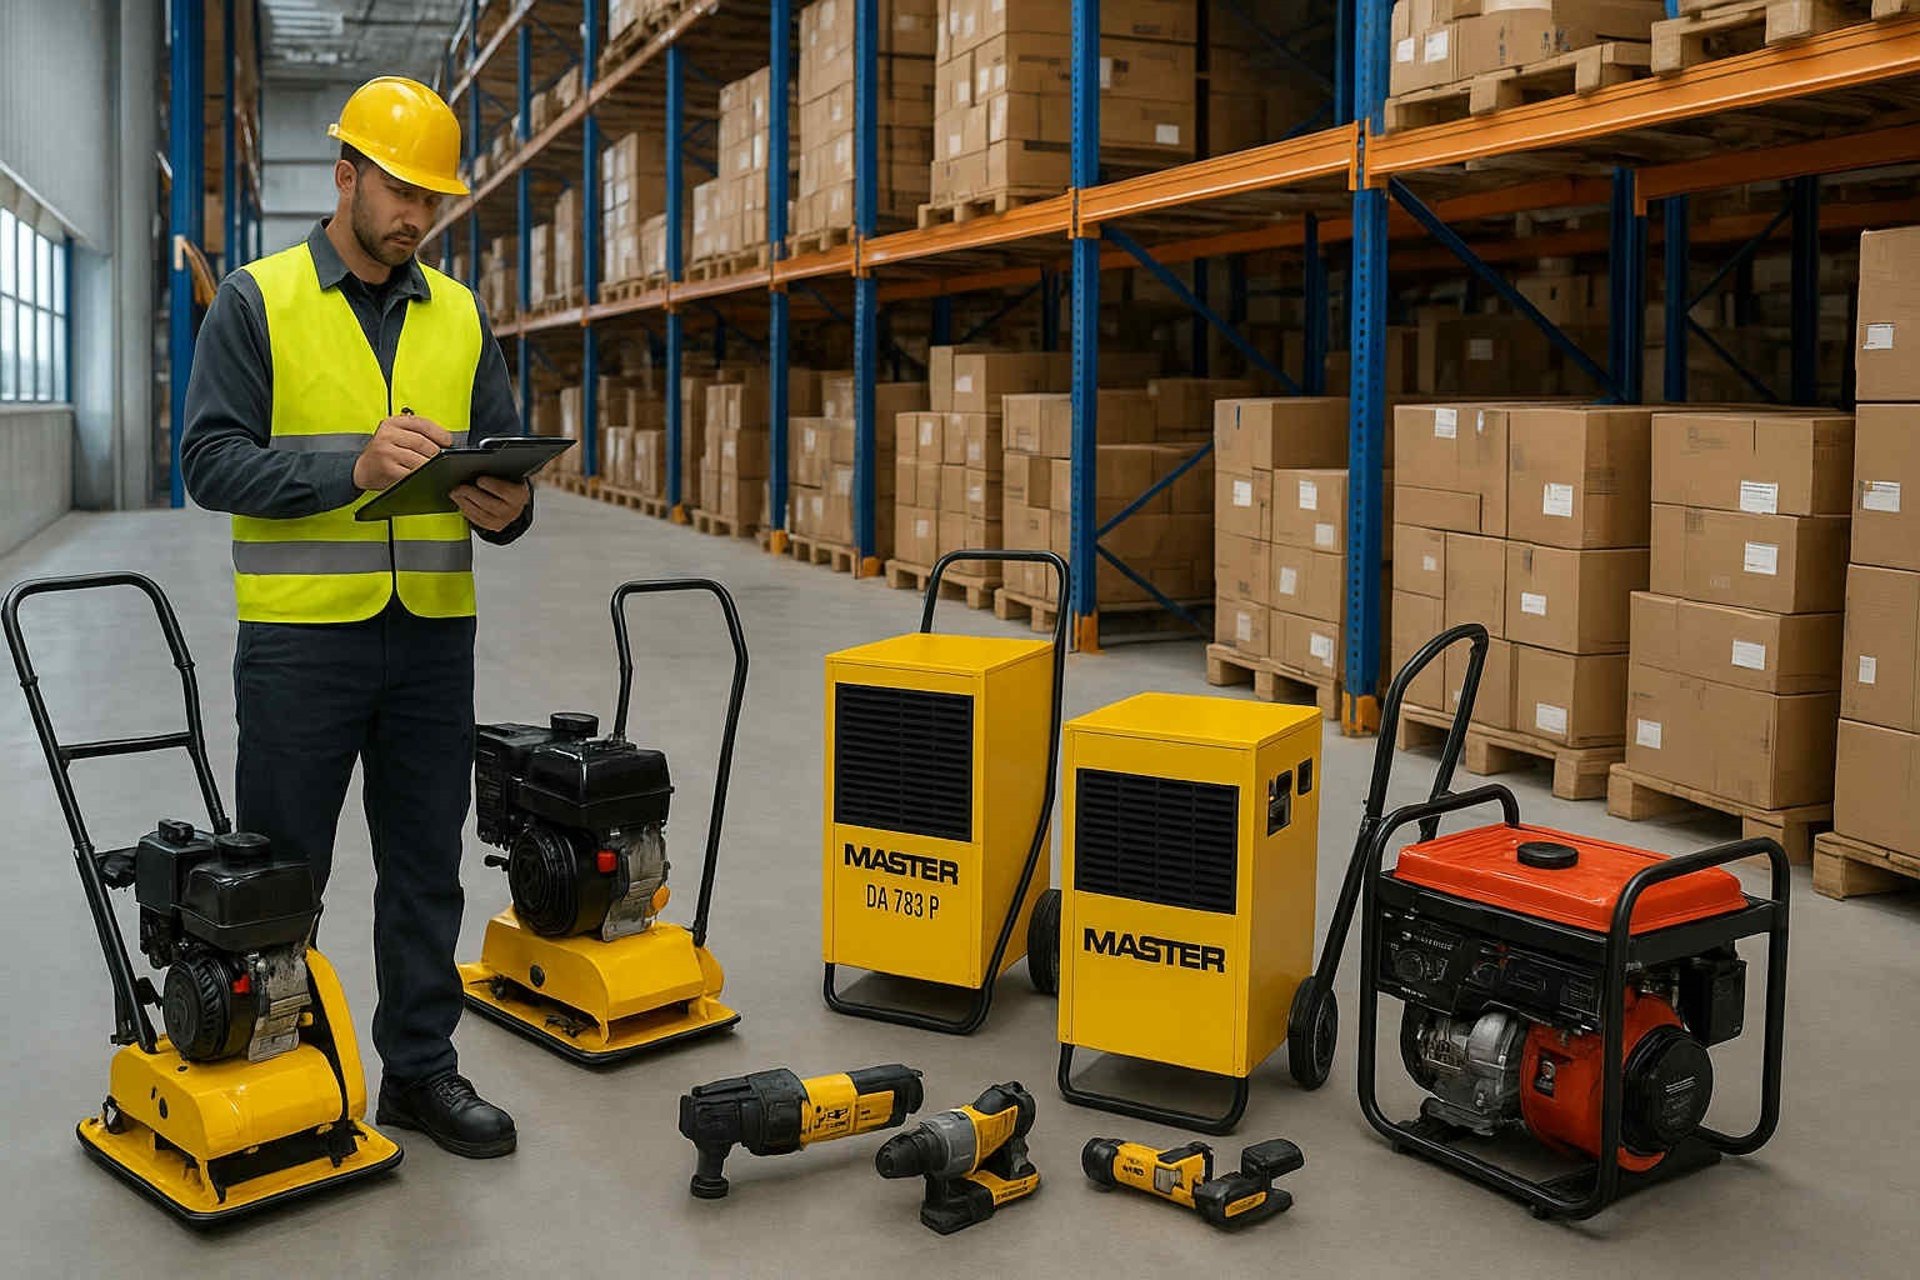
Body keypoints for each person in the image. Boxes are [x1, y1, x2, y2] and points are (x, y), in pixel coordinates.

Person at [181, 76, 527, 1158]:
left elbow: (504, 463)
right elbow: (209, 458)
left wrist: (508, 506)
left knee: (425, 862)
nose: (417, 215)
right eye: (400, 189)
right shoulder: (257, 298)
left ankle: (420, 1070)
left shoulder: (462, 311)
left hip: (431, 635)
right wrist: (354, 466)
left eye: (433, 196)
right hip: (302, 644)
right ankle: (277, 1074)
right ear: (346, 174)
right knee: (285, 867)